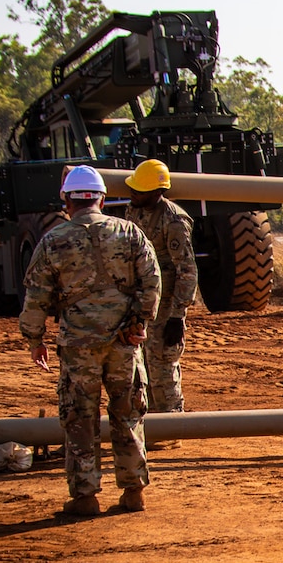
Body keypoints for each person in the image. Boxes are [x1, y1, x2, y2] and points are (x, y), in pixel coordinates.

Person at [20, 165, 161, 515]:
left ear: (67, 200)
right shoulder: (129, 233)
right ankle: (133, 491)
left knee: (79, 417)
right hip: (124, 342)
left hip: (79, 345)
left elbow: (37, 295)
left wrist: (35, 338)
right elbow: (152, 282)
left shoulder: (54, 240)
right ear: (101, 198)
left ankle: (85, 495)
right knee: (127, 413)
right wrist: (139, 322)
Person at [124, 159, 199, 420]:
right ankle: (150, 423)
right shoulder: (133, 211)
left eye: (138, 190)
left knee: (162, 364)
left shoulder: (174, 220)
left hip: (165, 307)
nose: (132, 194)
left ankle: (170, 424)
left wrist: (177, 316)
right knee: (140, 365)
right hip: (140, 302)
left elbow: (187, 271)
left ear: (156, 193)